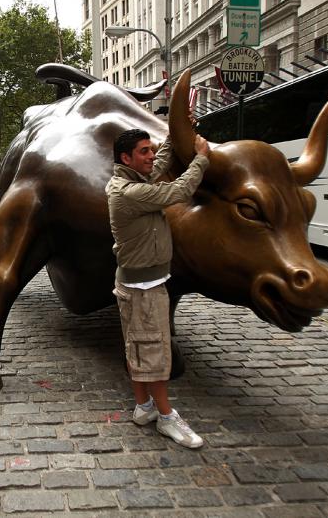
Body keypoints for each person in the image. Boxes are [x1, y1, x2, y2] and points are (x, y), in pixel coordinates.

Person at [105, 128, 210, 449]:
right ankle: (166, 417)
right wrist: (202, 159)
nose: (151, 156)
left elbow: (160, 163)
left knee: (137, 347)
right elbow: (178, 191)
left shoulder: (131, 181)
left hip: (134, 282)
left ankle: (144, 407)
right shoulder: (129, 193)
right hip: (144, 288)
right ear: (126, 158)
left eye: (152, 150)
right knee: (156, 352)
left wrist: (175, 138)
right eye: (144, 152)